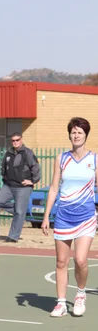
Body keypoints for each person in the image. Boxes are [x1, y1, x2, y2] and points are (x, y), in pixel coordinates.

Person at [42, 117, 97, 317]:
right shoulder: (61, 159)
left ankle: (80, 294)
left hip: (86, 217)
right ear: (70, 135)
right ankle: (61, 303)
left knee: (81, 260)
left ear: (85, 135)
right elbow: (54, 187)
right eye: (73, 132)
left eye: (80, 132)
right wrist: (47, 215)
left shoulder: (94, 159)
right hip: (64, 216)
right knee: (61, 262)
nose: (76, 135)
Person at [0, 133, 41, 242]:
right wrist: (5, 179)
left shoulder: (27, 153)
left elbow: (36, 168)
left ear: (21, 140)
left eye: (17, 140)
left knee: (20, 212)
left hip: (23, 187)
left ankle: (13, 236)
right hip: (9, 185)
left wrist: (32, 181)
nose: (15, 142)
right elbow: (3, 168)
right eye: (13, 140)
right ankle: (20, 210)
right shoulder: (8, 153)